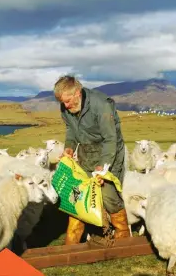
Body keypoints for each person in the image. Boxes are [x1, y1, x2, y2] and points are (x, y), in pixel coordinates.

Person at [53, 75, 130, 245]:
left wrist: (103, 168)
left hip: (109, 154)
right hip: (86, 154)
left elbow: (110, 139)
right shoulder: (66, 107)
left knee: (109, 197)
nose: (65, 106)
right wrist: (70, 147)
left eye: (68, 101)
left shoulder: (101, 105)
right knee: (77, 196)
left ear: (78, 93)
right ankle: (71, 244)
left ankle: (123, 236)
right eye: (62, 102)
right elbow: (70, 130)